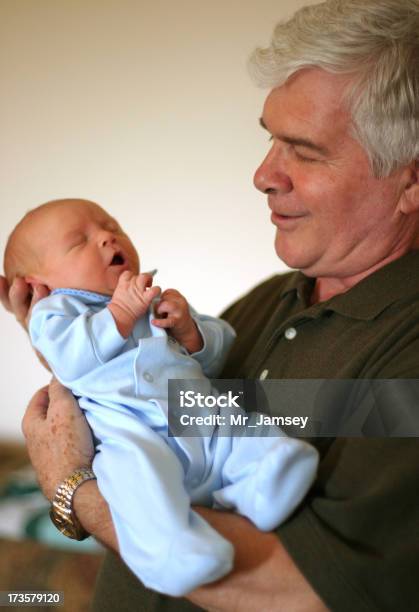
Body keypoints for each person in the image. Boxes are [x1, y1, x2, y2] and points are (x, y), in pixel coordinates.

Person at [1, 0, 419, 609]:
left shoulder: (405, 344)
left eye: (303, 150)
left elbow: (311, 589)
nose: (263, 174)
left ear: (410, 180)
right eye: (270, 139)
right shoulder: (272, 302)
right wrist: (62, 327)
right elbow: (162, 407)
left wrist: (74, 489)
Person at [3, 198, 318, 596]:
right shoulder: (56, 313)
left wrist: (192, 331)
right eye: (78, 241)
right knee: (138, 483)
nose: (106, 236)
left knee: (240, 431)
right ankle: (171, 550)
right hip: (130, 433)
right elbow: (68, 359)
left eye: (111, 225)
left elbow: (221, 352)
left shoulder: (150, 298)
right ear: (39, 285)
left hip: (194, 413)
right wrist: (115, 313)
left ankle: (264, 479)